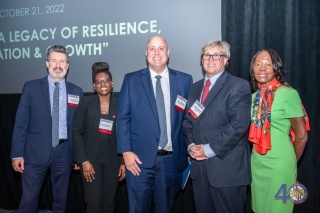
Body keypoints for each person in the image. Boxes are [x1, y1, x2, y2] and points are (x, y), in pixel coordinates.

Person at [116, 35, 193, 212]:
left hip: (171, 162)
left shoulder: (184, 80)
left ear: (168, 52)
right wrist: (125, 152)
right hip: (138, 162)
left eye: (161, 48)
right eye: (152, 48)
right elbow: (122, 118)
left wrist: (190, 146)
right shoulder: (131, 80)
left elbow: (189, 119)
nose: (156, 53)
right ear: (146, 53)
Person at [11, 45, 83, 212]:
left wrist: (79, 156)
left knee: (61, 200)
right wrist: (17, 154)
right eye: (54, 60)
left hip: (65, 153)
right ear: (47, 63)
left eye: (62, 61)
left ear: (68, 65)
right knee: (29, 199)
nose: (58, 65)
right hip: (35, 152)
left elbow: (79, 128)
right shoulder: (31, 87)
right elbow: (21, 123)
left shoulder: (76, 91)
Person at [182, 40, 251, 213]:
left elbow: (238, 125)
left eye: (216, 55)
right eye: (206, 55)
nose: (210, 59)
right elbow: (187, 122)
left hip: (226, 170)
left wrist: (208, 149)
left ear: (226, 60)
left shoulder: (238, 86)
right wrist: (191, 146)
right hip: (200, 171)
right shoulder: (194, 88)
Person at [248, 49, 309, 213]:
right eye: (258, 64)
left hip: (280, 165)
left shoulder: (288, 94)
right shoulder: (254, 97)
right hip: (257, 164)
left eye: (268, 64)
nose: (262, 68)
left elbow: (302, 136)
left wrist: (290, 164)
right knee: (259, 208)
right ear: (252, 68)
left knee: (278, 209)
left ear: (276, 68)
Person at [72, 62, 125, 213]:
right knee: (94, 204)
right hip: (91, 163)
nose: (103, 84)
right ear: (94, 86)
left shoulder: (120, 103)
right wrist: (83, 161)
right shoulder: (85, 103)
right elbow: (76, 132)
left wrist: (122, 161)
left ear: (112, 83)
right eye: (99, 81)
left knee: (109, 204)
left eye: (106, 80)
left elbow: (124, 133)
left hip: (113, 163)